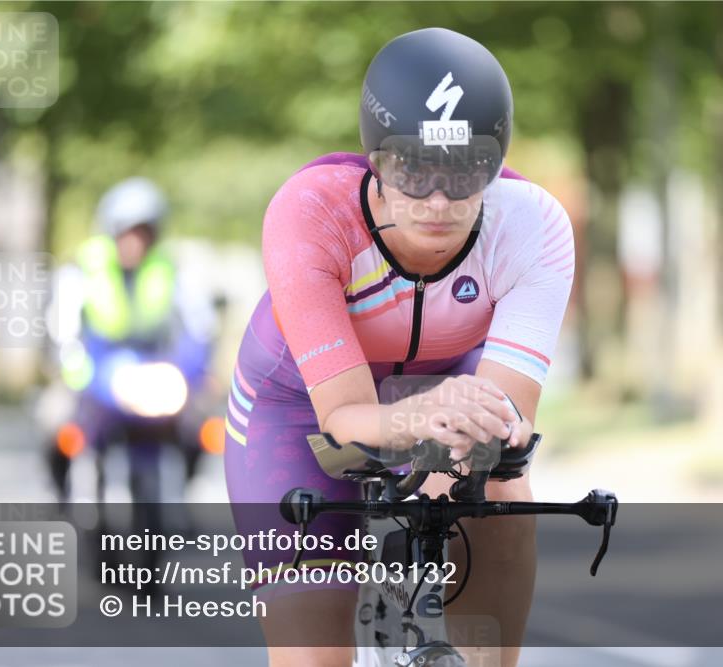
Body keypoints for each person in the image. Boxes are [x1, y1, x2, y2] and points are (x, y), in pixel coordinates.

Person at [225, 28, 575, 667]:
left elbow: (507, 419)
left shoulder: (532, 223)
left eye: (465, 171)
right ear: (376, 163)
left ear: (496, 165)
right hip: (300, 407)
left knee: (499, 486)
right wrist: (429, 415)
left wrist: (473, 432)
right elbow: (343, 419)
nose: (438, 201)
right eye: (413, 170)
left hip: (448, 391)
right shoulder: (312, 211)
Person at [49, 177, 217, 498]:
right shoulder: (82, 270)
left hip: (153, 378)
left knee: (199, 427)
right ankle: (62, 493)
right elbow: (62, 327)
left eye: (144, 233)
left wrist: (194, 370)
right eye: (128, 233)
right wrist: (74, 368)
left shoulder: (171, 270)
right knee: (56, 423)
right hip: (97, 376)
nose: (135, 243)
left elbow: (199, 326)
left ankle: (185, 490)